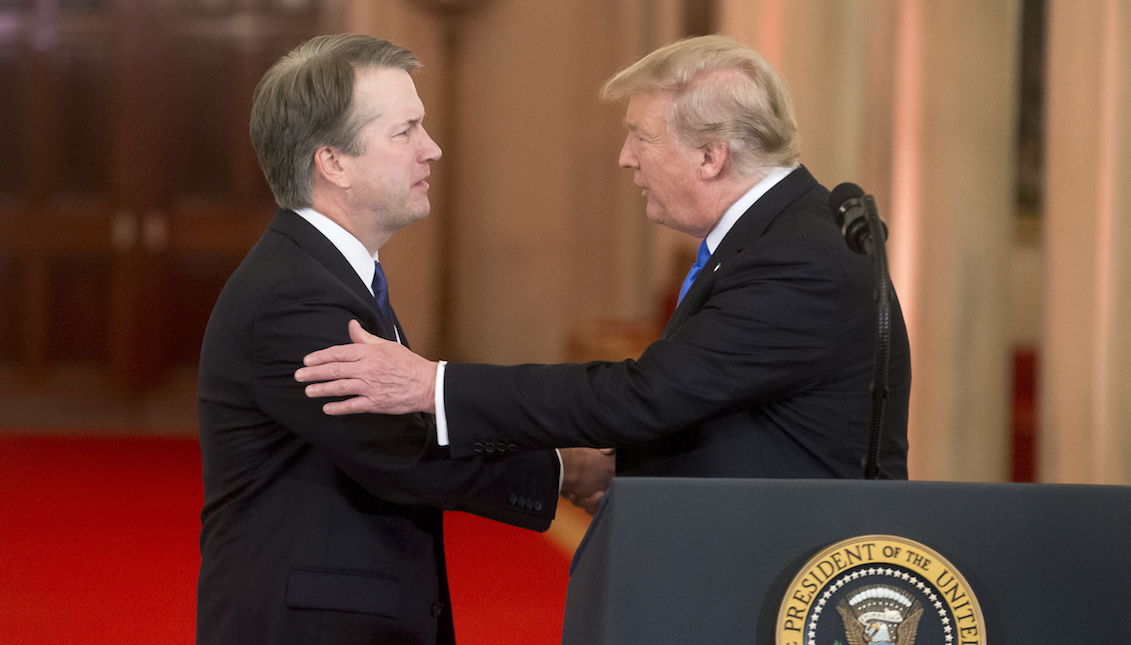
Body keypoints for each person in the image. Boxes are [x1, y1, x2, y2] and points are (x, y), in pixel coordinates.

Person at [294, 35, 911, 484]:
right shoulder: (776, 235)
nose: (624, 157)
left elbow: (646, 397)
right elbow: (708, 402)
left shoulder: (800, 259)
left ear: (711, 156)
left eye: (641, 136)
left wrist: (433, 385)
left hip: (785, 579)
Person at [196, 34, 611, 645]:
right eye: (405, 131)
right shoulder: (296, 295)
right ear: (332, 161)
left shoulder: (329, 276)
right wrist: (564, 469)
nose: (432, 149)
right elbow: (403, 453)